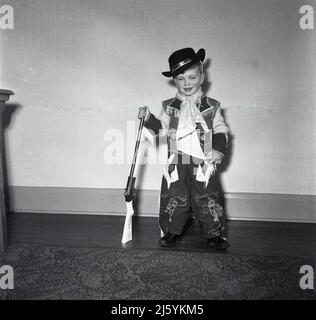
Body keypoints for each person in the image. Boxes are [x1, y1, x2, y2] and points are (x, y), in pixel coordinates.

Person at [138, 47, 229, 250]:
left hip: (204, 159)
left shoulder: (212, 106)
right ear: (174, 81)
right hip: (177, 159)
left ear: (202, 76)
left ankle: (214, 233)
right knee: (174, 194)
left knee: (207, 194)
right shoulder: (169, 107)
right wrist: (148, 119)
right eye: (181, 79)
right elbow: (160, 128)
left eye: (192, 77)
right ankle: (172, 229)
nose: (187, 83)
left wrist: (218, 150)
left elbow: (221, 130)